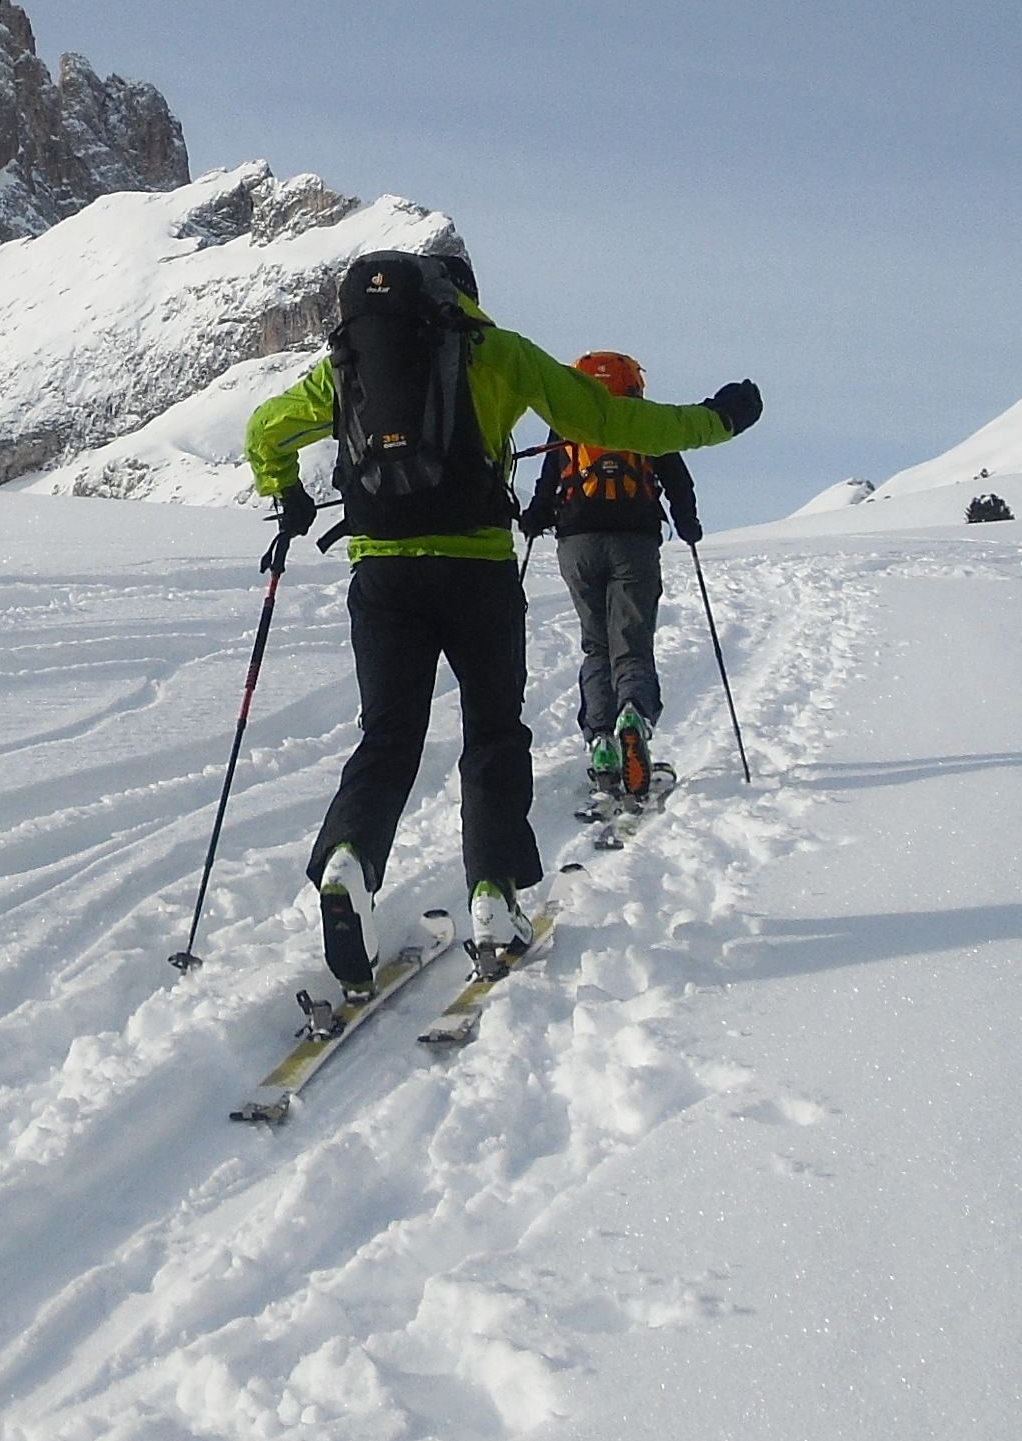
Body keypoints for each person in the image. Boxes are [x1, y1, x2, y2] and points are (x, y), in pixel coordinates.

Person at [246, 250, 759, 985]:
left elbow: (265, 430)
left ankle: (350, 861)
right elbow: (613, 421)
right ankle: (494, 894)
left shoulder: (349, 361)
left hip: (383, 573)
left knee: (387, 736)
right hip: (477, 574)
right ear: (466, 299)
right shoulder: (499, 352)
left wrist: (285, 492)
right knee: (492, 731)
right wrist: (718, 421)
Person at [517, 351, 701, 811]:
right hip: (635, 541)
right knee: (632, 644)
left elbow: (547, 482)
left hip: (577, 543)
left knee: (596, 644)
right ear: (634, 384)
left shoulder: (569, 421)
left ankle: (600, 740)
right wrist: (688, 523)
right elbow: (677, 478)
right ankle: (633, 717)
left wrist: (536, 518)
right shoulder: (645, 420)